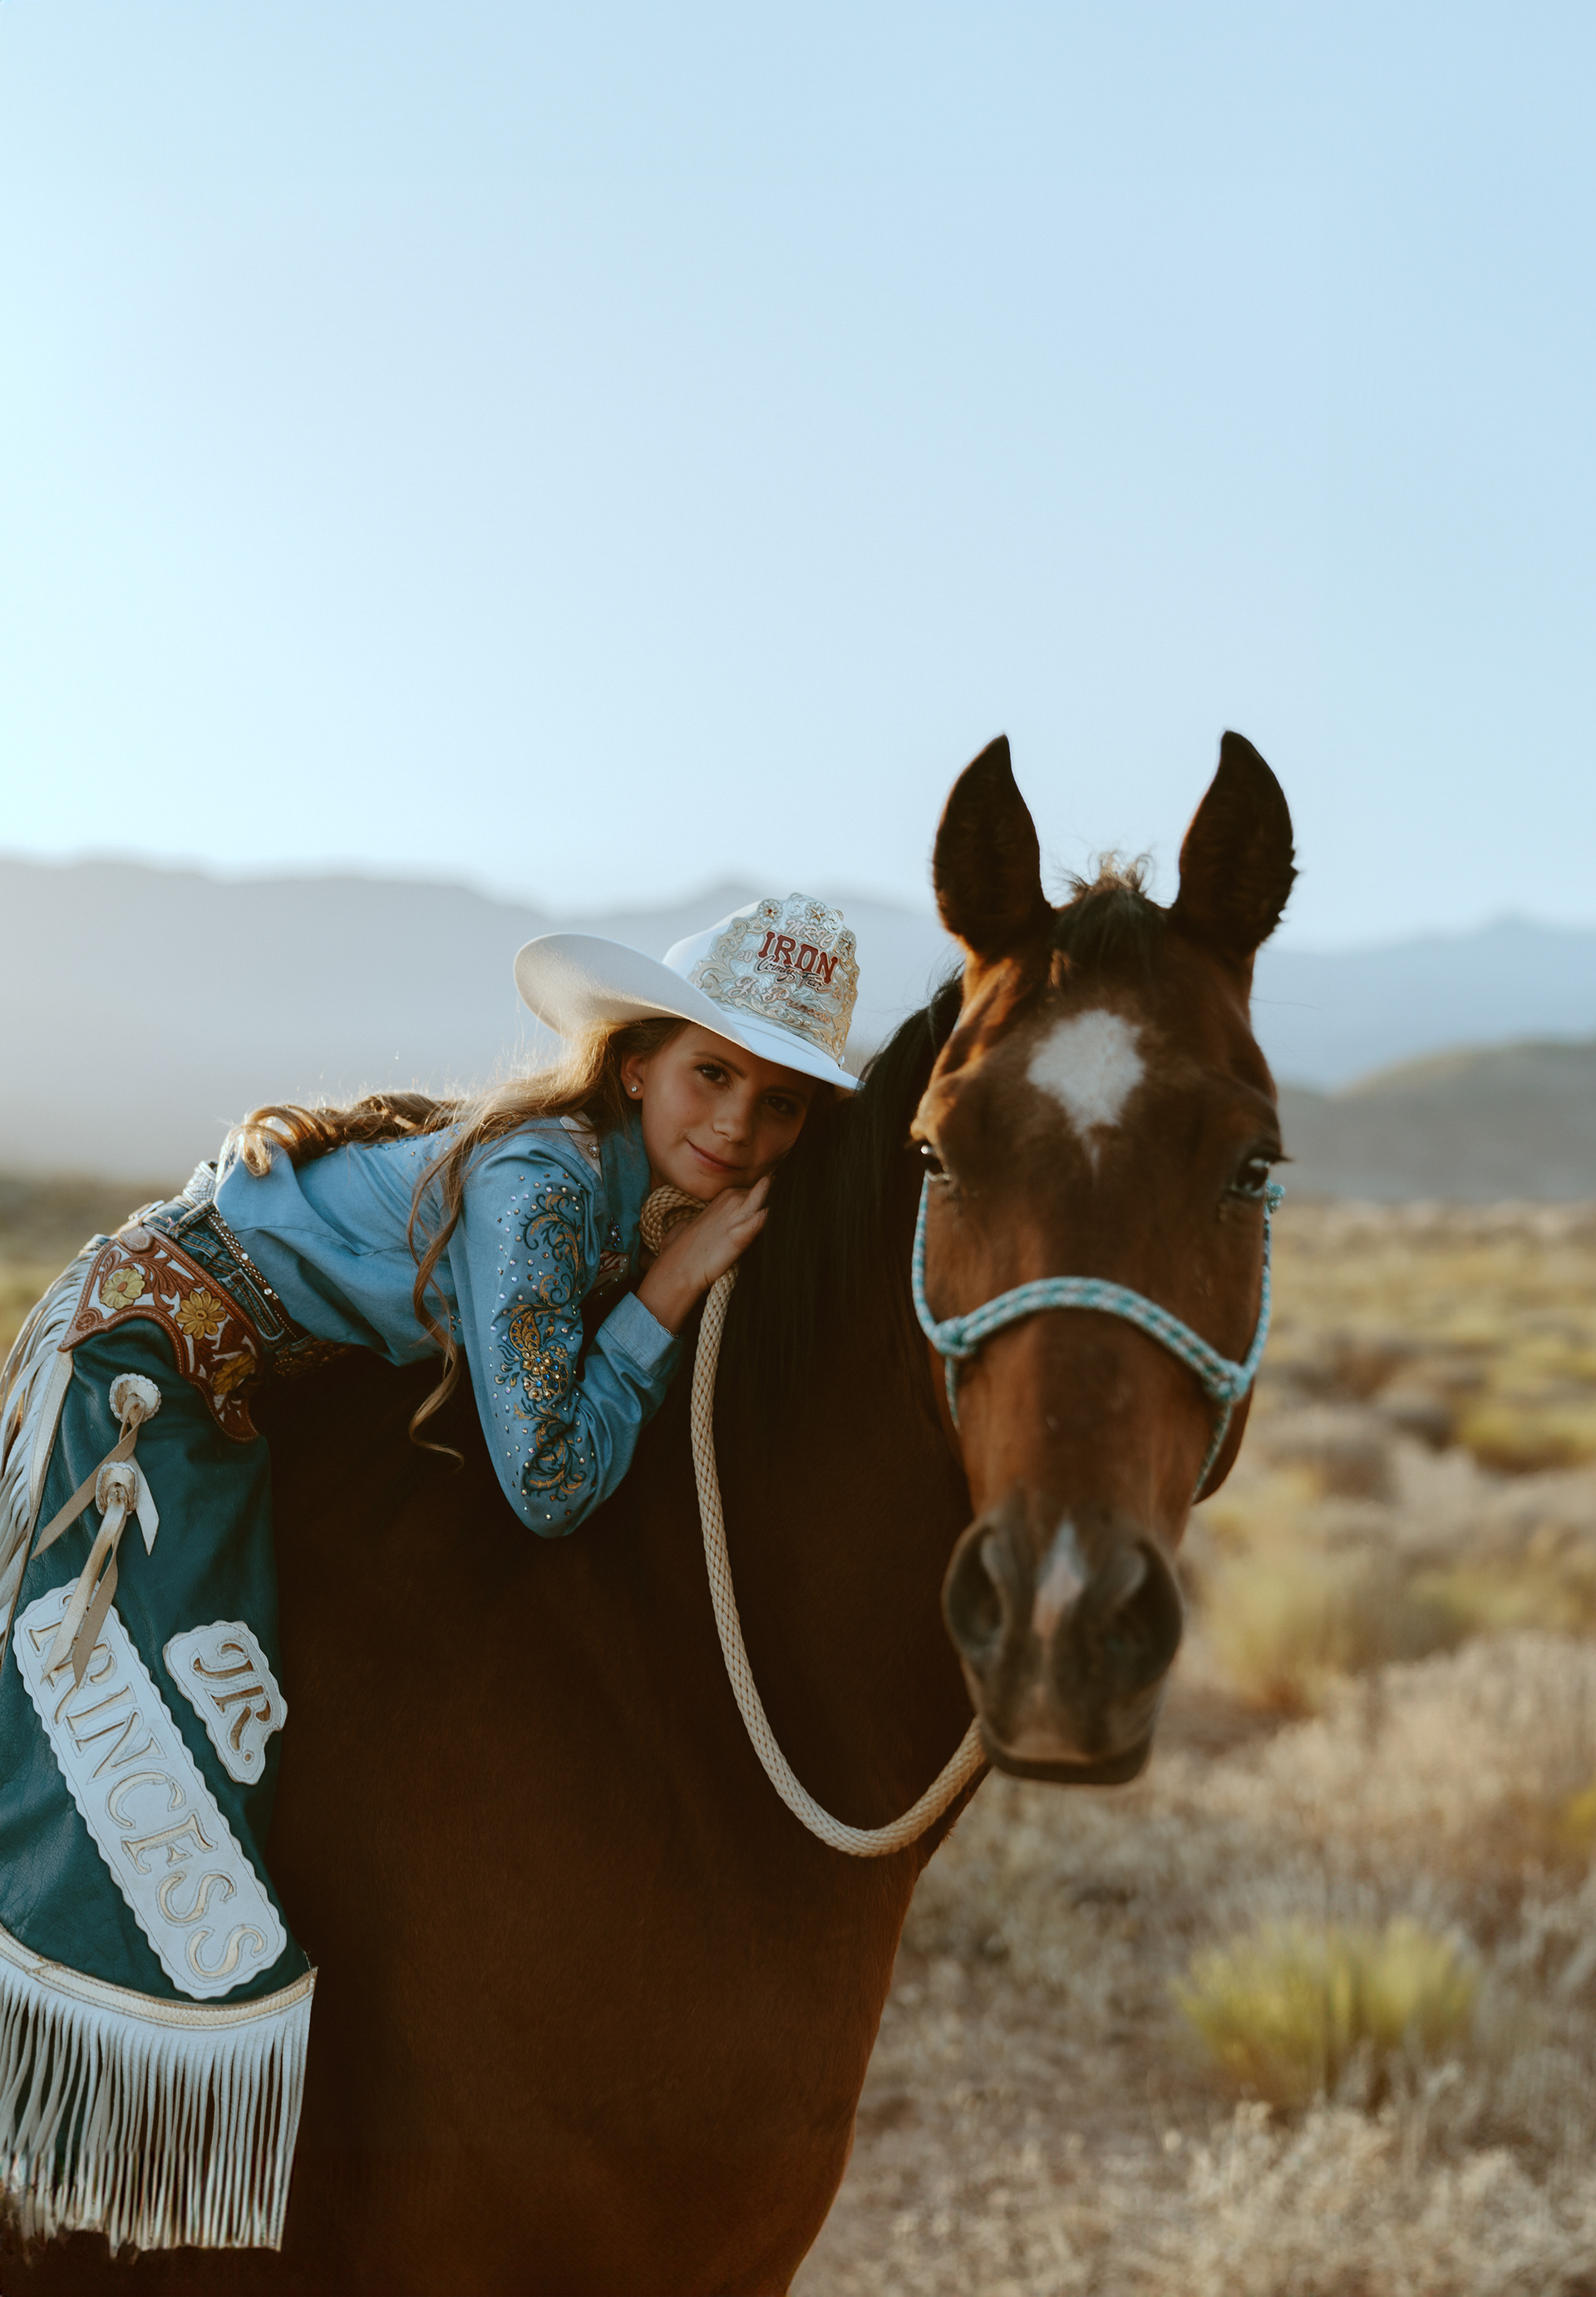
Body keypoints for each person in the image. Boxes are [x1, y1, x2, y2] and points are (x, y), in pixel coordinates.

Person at [0, 890, 860, 2257]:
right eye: (713, 1074)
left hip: (256, 1379)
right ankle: (76, 2135)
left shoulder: (637, 1180)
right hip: (143, 1366)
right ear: (636, 1063)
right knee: (143, 1731)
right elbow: (555, 1480)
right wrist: (668, 1296)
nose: (738, 1129)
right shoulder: (545, 1186)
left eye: (781, 1104)